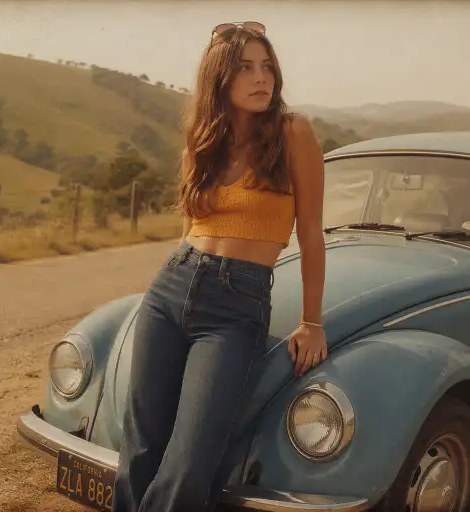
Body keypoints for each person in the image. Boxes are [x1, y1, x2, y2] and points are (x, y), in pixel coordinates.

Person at [113, 20, 327, 512]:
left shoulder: (294, 132)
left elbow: (311, 234)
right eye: (246, 68)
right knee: (140, 449)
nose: (262, 78)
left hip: (236, 306)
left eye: (267, 67)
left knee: (189, 462)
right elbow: (188, 226)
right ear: (219, 79)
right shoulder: (203, 137)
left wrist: (311, 322)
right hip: (172, 289)